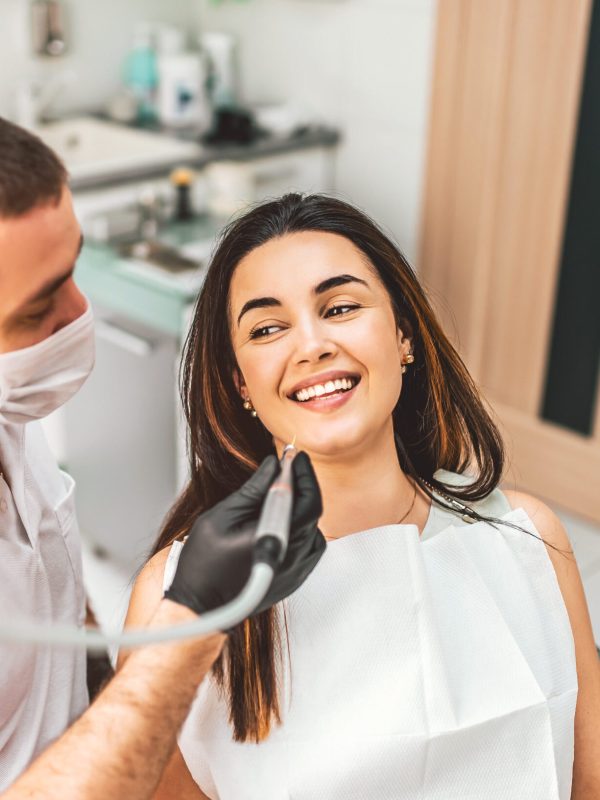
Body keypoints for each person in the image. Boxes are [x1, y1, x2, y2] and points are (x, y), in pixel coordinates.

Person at [123, 192, 600, 799]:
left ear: (403, 336)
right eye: (267, 328)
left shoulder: (528, 540)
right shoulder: (178, 594)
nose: (311, 345)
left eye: (341, 307)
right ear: (241, 383)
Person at [0, 117, 324, 799]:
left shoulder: (10, 413)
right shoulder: (163, 590)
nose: (81, 310)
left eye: (73, 270)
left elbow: (50, 597)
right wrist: (187, 628)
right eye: (37, 310)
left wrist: (104, 692)